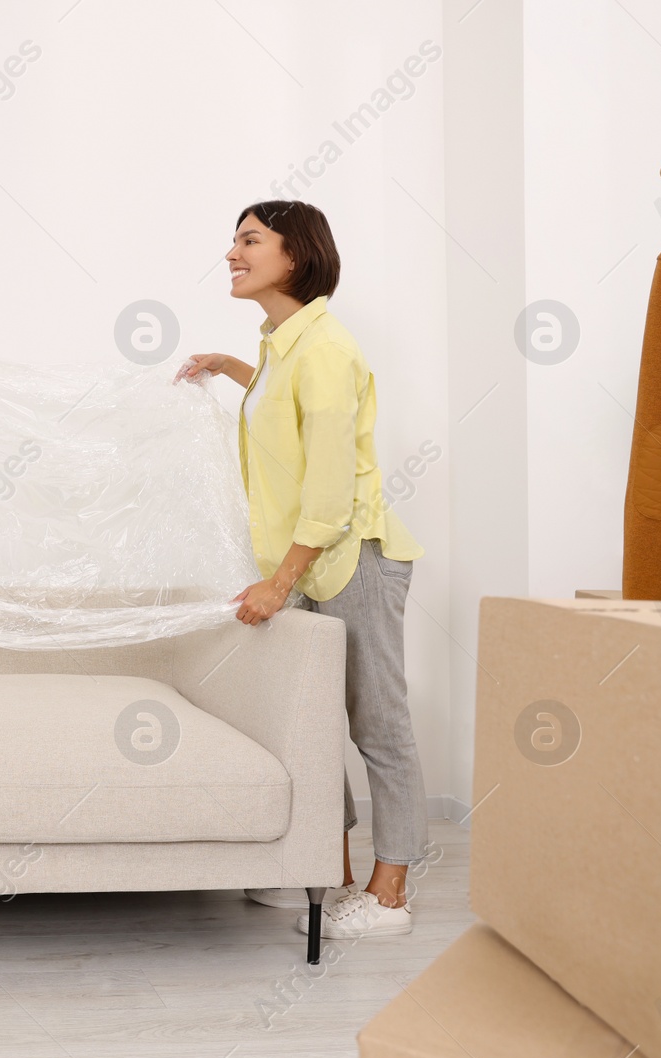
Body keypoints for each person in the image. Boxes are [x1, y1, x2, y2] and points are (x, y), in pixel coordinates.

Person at [175, 200, 426, 940]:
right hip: (309, 561)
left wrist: (279, 582)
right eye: (233, 240)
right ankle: (329, 868)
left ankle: (390, 893)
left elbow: (326, 489)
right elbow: (290, 415)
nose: (231, 252)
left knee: (378, 723)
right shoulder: (286, 347)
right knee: (313, 722)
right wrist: (231, 368)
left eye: (250, 240)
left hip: (348, 558)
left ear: (296, 256)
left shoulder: (322, 349)